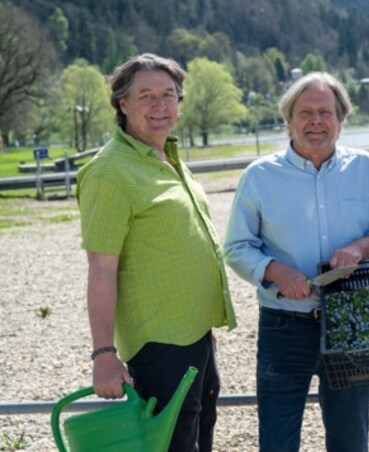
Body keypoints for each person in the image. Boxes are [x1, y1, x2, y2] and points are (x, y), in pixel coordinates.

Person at [223, 72, 369, 451]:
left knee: (349, 438)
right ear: (288, 120)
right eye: (305, 112)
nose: (316, 121)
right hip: (283, 326)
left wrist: (361, 247)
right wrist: (276, 271)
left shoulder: (368, 169)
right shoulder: (259, 177)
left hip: (351, 320)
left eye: (325, 112)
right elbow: (237, 247)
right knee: (277, 440)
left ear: (341, 119)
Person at [76, 53, 237, 451]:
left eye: (168, 94)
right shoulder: (110, 171)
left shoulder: (166, 157)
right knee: (171, 441)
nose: (160, 105)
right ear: (122, 104)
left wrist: (203, 332)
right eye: (145, 95)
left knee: (198, 426)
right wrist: (103, 355)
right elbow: (101, 270)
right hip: (158, 341)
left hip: (192, 333)